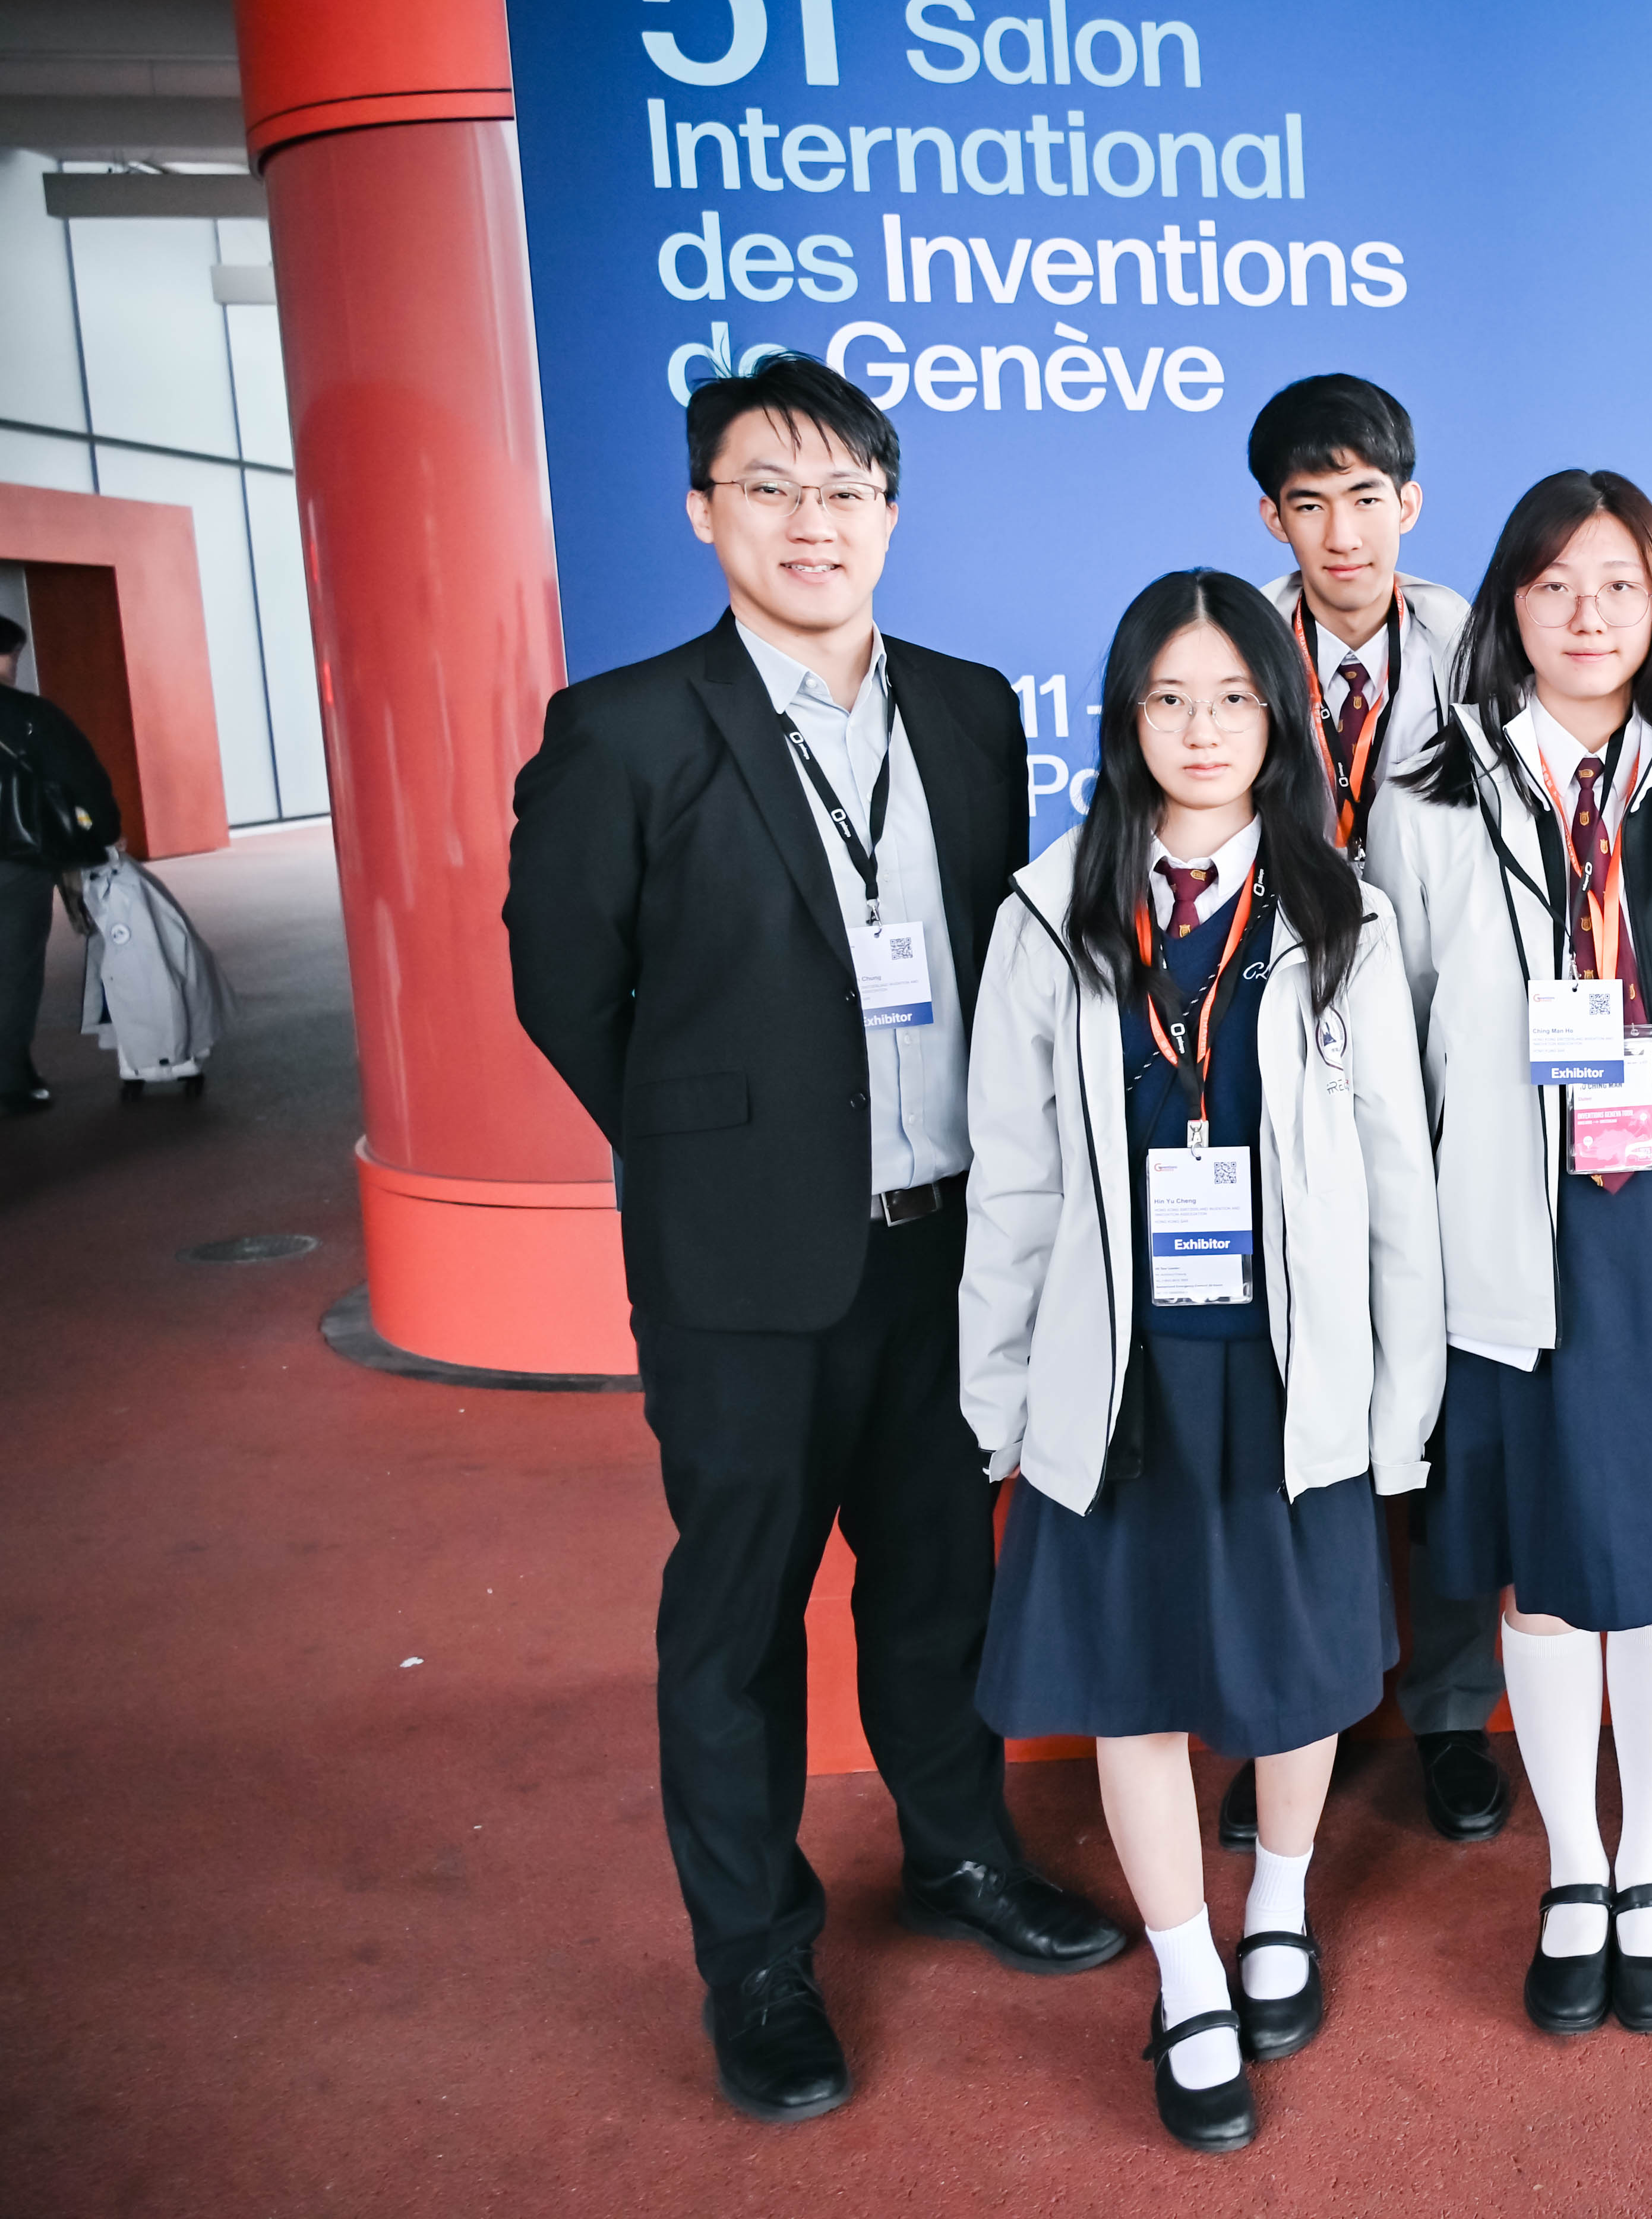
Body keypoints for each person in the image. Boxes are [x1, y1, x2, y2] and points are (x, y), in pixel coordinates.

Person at [505, 354, 1125, 2123]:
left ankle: (958, 1854)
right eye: (768, 488)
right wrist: (718, 1153)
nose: (811, 523)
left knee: (940, 1580)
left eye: (846, 488)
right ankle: (756, 1958)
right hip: (744, 1271)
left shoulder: (968, 711)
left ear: (890, 515)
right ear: (705, 511)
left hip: (944, 1249)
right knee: (739, 1617)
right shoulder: (625, 729)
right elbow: (565, 991)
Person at [959, 569, 1446, 2150]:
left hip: (1292, 1373)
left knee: (1299, 1670)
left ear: (1278, 719)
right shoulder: (1050, 913)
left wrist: (1401, 1397)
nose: (1202, 728)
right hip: (1118, 1378)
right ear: (1124, 723)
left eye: (1234, 697)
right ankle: (1186, 1977)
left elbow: (1398, 1179)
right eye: (1168, 699)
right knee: (1132, 1684)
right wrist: (997, 1397)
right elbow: (1012, 1179)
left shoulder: (1338, 912)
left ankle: (1280, 1902)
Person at [1369, 468, 1652, 2037]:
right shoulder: (1430, 799)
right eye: (1554, 585)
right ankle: (1574, 1871)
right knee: (1549, 1579)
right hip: (1518, 1242)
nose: (1589, 614)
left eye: (1618, 584)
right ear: (1510, 608)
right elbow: (1399, 1047)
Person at [1240, 372, 1502, 1851]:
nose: (1342, 533)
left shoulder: (1485, 655)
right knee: (1298, 1388)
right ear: (1270, 518)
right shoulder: (1227, 655)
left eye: (1365, 498)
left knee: (1442, 1398)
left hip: (1447, 1070)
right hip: (1279, 1073)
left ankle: (1452, 1715)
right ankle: (1298, 1708)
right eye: (1309, 504)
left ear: (1410, 501)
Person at [0, 611, 120, 1115]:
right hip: (17, 861)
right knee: (13, 968)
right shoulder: (30, 715)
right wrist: (104, 832)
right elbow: (81, 778)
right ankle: (9, 1081)